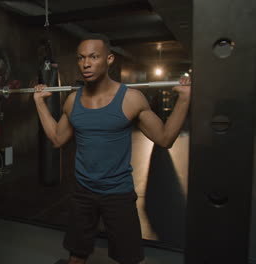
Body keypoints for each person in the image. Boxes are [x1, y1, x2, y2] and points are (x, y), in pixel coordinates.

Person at [33, 34, 191, 264]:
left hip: (118, 194)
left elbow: (165, 138)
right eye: (81, 58)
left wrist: (184, 100)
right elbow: (57, 139)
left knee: (129, 258)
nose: (86, 63)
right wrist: (39, 103)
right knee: (76, 256)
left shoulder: (131, 99)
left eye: (94, 57)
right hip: (83, 193)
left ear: (109, 59)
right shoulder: (72, 100)